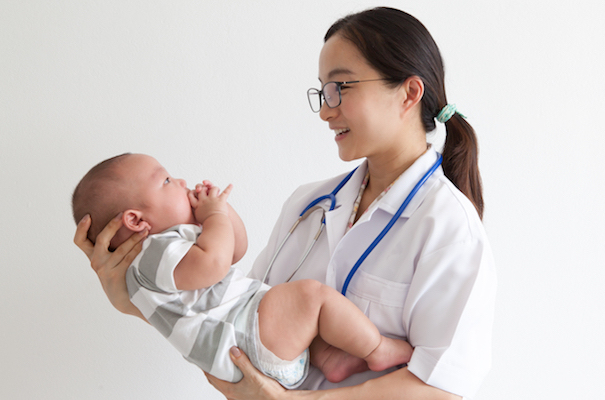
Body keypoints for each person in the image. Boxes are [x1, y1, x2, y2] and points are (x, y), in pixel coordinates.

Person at [74, 6, 497, 400]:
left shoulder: (449, 228)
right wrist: (134, 301)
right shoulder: (308, 205)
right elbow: (232, 317)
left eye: (339, 88)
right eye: (322, 92)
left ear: (408, 93)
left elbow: (440, 386)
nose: (325, 111)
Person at [71, 153, 412, 388]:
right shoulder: (153, 254)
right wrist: (214, 216)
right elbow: (216, 263)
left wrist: (222, 211)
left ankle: (329, 358)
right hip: (246, 338)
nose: (181, 180)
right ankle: (377, 348)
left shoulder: (170, 252)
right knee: (311, 297)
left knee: (304, 318)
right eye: (166, 181)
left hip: (252, 339)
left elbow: (236, 248)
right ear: (136, 220)